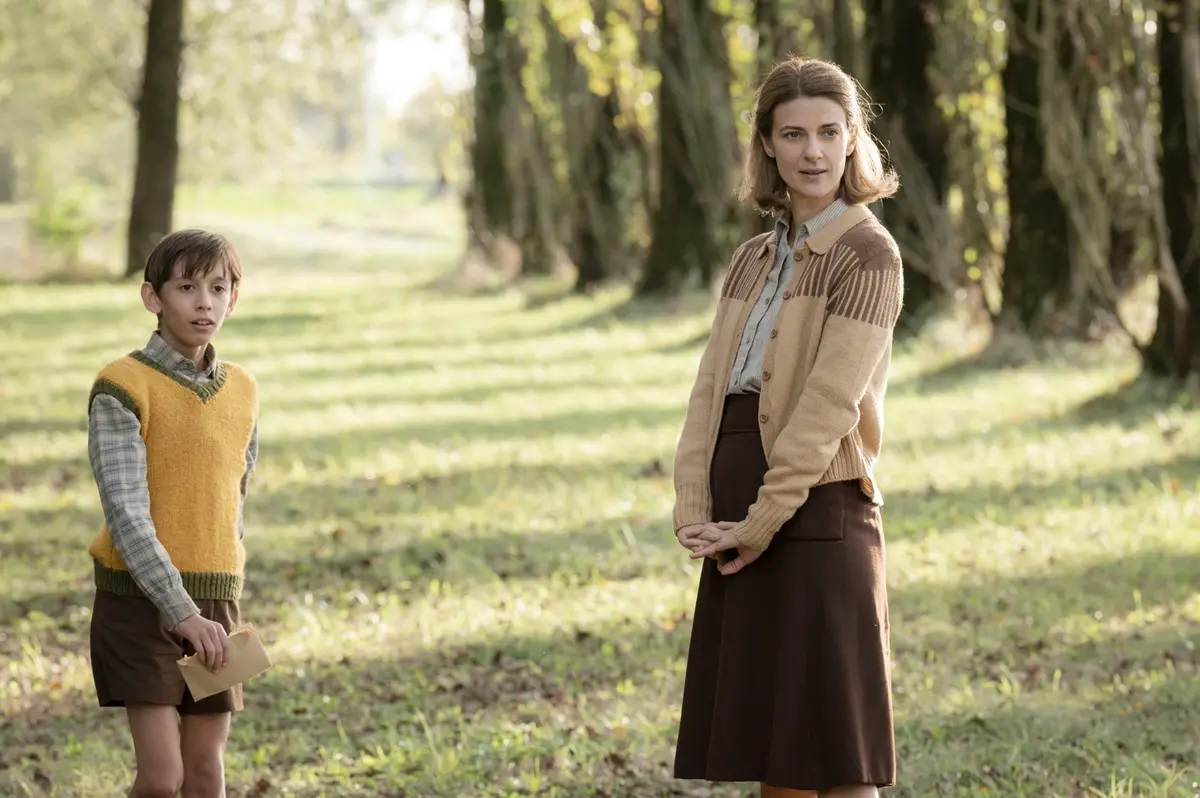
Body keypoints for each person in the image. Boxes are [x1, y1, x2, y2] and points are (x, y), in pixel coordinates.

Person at [671, 57, 904, 798]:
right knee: (779, 759)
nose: (812, 151)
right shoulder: (749, 259)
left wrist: (765, 517)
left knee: (838, 755)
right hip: (745, 508)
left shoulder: (868, 254)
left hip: (818, 510)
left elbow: (830, 404)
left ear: (852, 140)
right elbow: (710, 388)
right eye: (794, 133)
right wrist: (694, 509)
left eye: (830, 132)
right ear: (767, 144)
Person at [87, 229, 259, 798]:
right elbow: (128, 514)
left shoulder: (244, 389)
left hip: (217, 600)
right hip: (140, 602)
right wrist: (182, 613)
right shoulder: (122, 384)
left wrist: (223, 599)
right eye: (186, 287)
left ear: (234, 298)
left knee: (207, 772)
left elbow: (235, 496)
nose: (204, 302)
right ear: (152, 298)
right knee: (164, 778)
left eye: (218, 287)